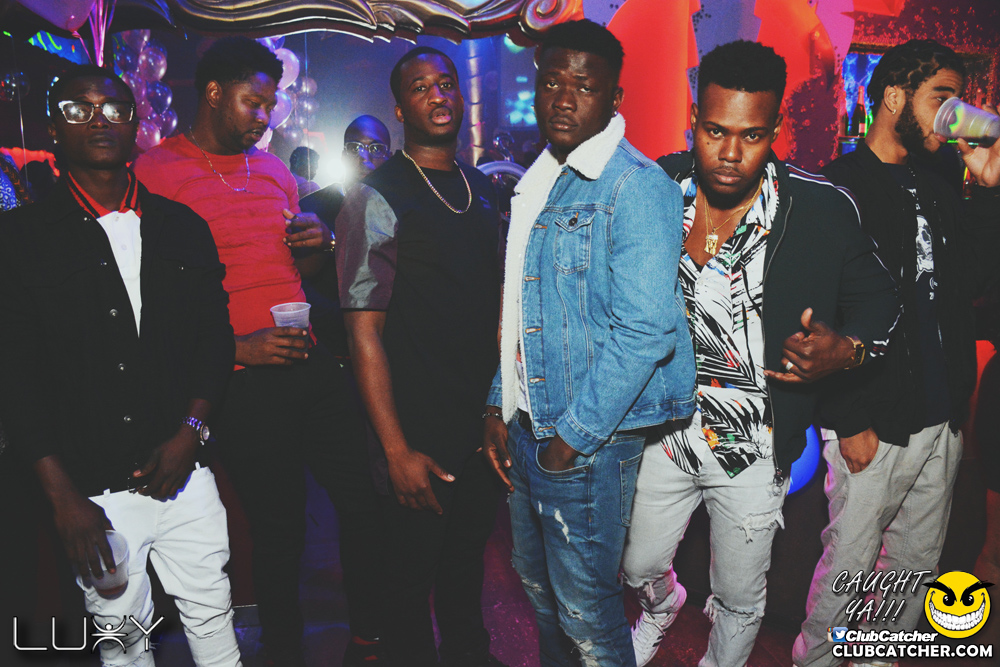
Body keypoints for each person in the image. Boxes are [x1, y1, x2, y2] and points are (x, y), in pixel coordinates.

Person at [620, 40, 901, 667]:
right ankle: (663, 606)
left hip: (756, 444)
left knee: (740, 596)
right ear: (694, 119)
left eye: (750, 135)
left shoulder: (820, 208)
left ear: (775, 129)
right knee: (637, 565)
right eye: (715, 131)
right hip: (665, 429)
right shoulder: (657, 188)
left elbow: (882, 303)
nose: (729, 153)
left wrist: (847, 351)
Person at [134, 38, 384, 667]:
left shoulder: (273, 170)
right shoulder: (155, 173)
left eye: (271, 104)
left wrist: (318, 242)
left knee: (363, 500)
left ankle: (370, 638)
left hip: (308, 358)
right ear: (214, 93)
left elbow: (294, 265)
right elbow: (148, 301)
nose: (265, 116)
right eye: (254, 101)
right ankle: (284, 647)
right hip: (239, 380)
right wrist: (237, 348)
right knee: (280, 527)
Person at [0, 64, 241, 666]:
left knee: (216, 628)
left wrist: (190, 434)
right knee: (124, 649)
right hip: (90, 489)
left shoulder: (182, 227)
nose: (98, 120)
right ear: (53, 129)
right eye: (77, 110)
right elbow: (15, 375)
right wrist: (63, 497)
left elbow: (215, 341)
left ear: (136, 124)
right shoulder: (20, 238)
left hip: (184, 474)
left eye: (113, 109)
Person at [479, 20, 695, 666]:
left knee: (588, 615)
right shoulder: (542, 178)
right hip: (531, 427)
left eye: (585, 86)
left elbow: (646, 332)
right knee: (542, 594)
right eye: (552, 83)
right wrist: (499, 402)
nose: (564, 99)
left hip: (586, 438)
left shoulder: (636, 185)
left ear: (614, 97)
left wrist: (570, 439)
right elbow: (524, 306)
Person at [794, 38, 1000, 667]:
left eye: (960, 100)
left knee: (913, 568)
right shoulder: (837, 186)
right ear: (893, 98)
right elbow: (815, 316)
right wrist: (848, 417)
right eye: (942, 97)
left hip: (940, 417)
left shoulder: (940, 183)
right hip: (874, 420)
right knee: (849, 568)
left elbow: (972, 284)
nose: (953, 114)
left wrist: (990, 188)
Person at [336, 47, 505, 667]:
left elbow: (496, 311)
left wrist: (499, 409)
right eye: (420, 87)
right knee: (408, 582)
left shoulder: (483, 189)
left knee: (466, 566)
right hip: (414, 428)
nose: (437, 95)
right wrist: (394, 449)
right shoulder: (378, 195)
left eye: (446, 83)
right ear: (401, 108)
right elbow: (363, 332)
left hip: (479, 425)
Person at [298, 114, 392, 355]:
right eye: (354, 148)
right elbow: (299, 280)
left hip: (392, 338)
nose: (364, 157)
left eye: (376, 148)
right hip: (329, 341)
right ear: (343, 156)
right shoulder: (313, 206)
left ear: (389, 157)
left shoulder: (401, 207)